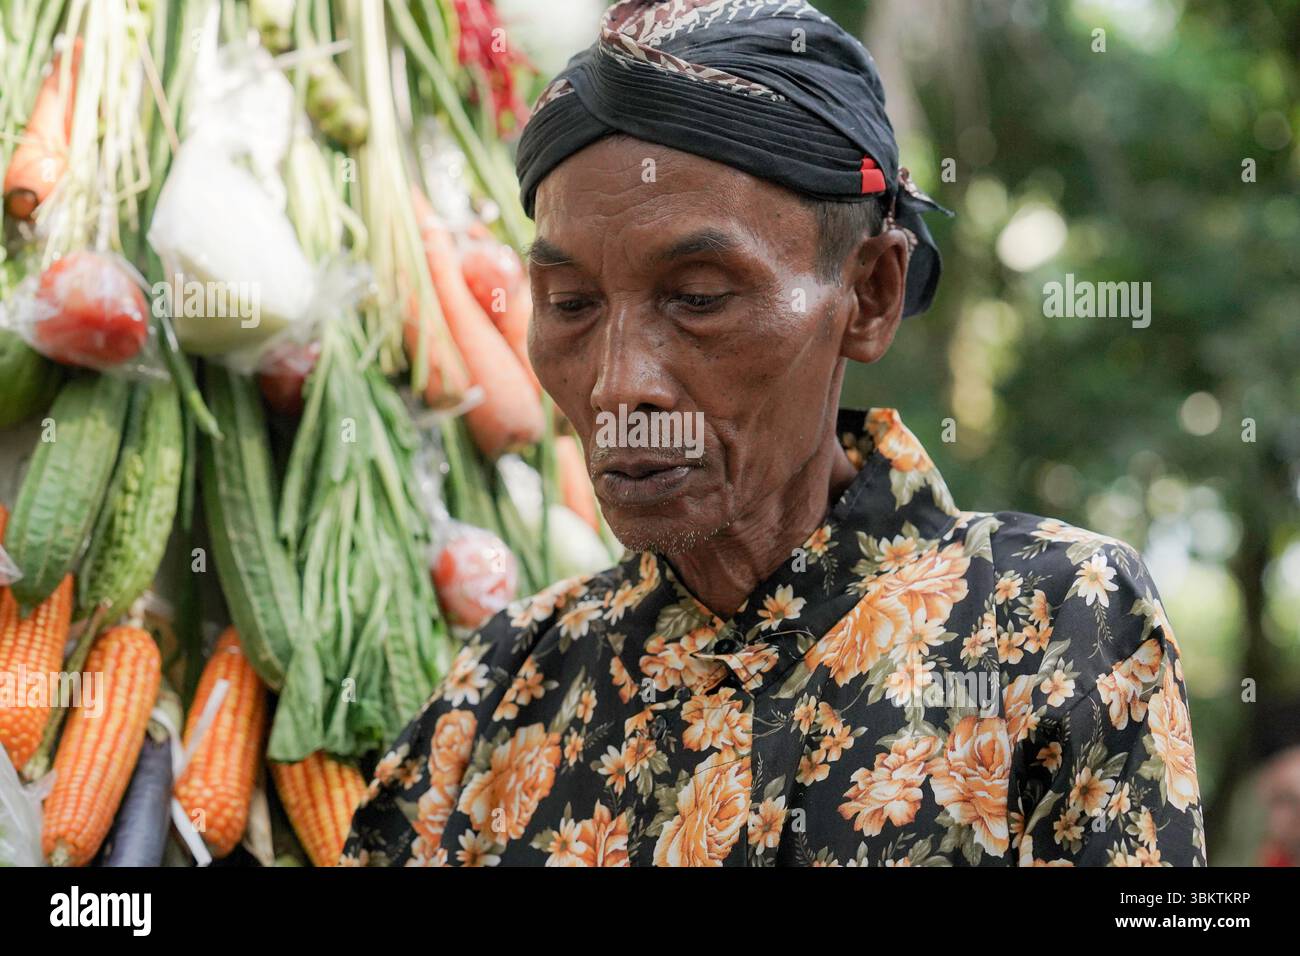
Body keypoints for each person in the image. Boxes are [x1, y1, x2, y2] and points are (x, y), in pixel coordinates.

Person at [342, 0, 1205, 867]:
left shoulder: (1050, 625)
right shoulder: (503, 690)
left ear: (869, 294)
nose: (617, 384)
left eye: (699, 298)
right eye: (570, 306)